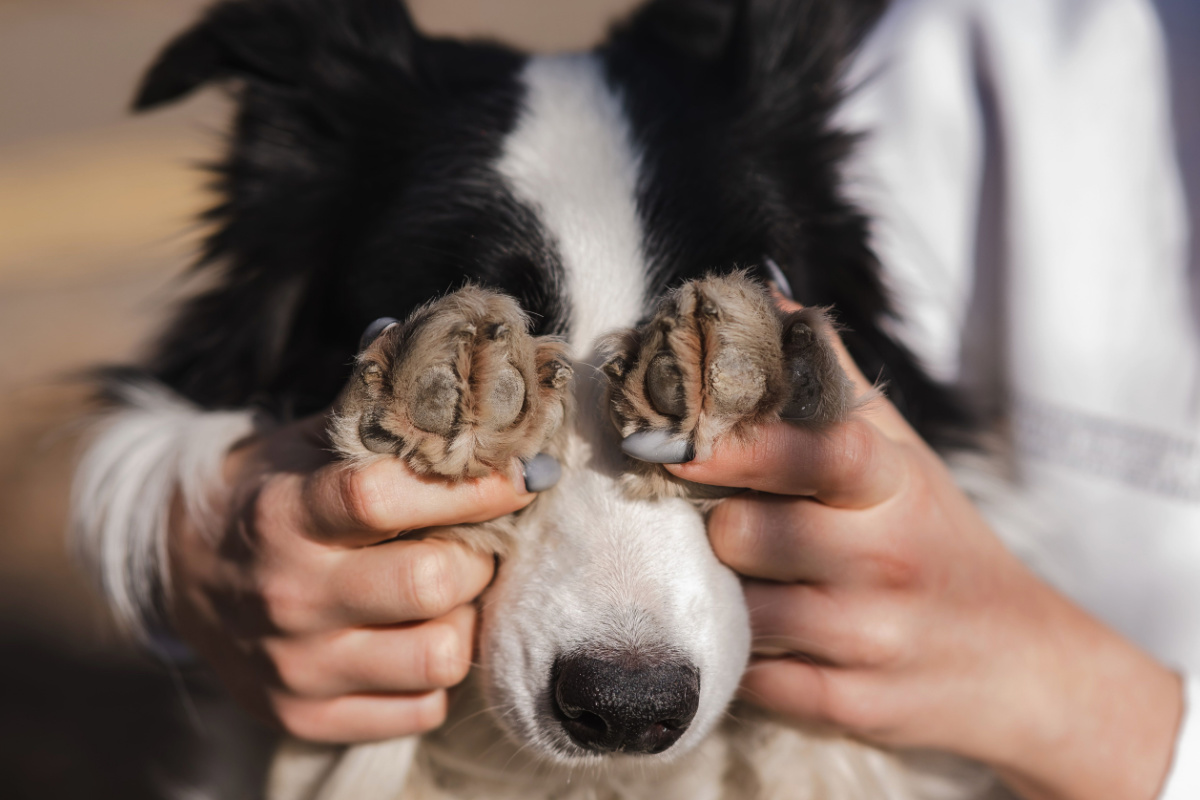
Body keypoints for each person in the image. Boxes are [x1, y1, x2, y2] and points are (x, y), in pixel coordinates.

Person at [74, 0, 1200, 798]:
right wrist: (203, 527)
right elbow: (198, 402)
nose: (633, 640)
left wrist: (1073, 699)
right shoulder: (930, 43)